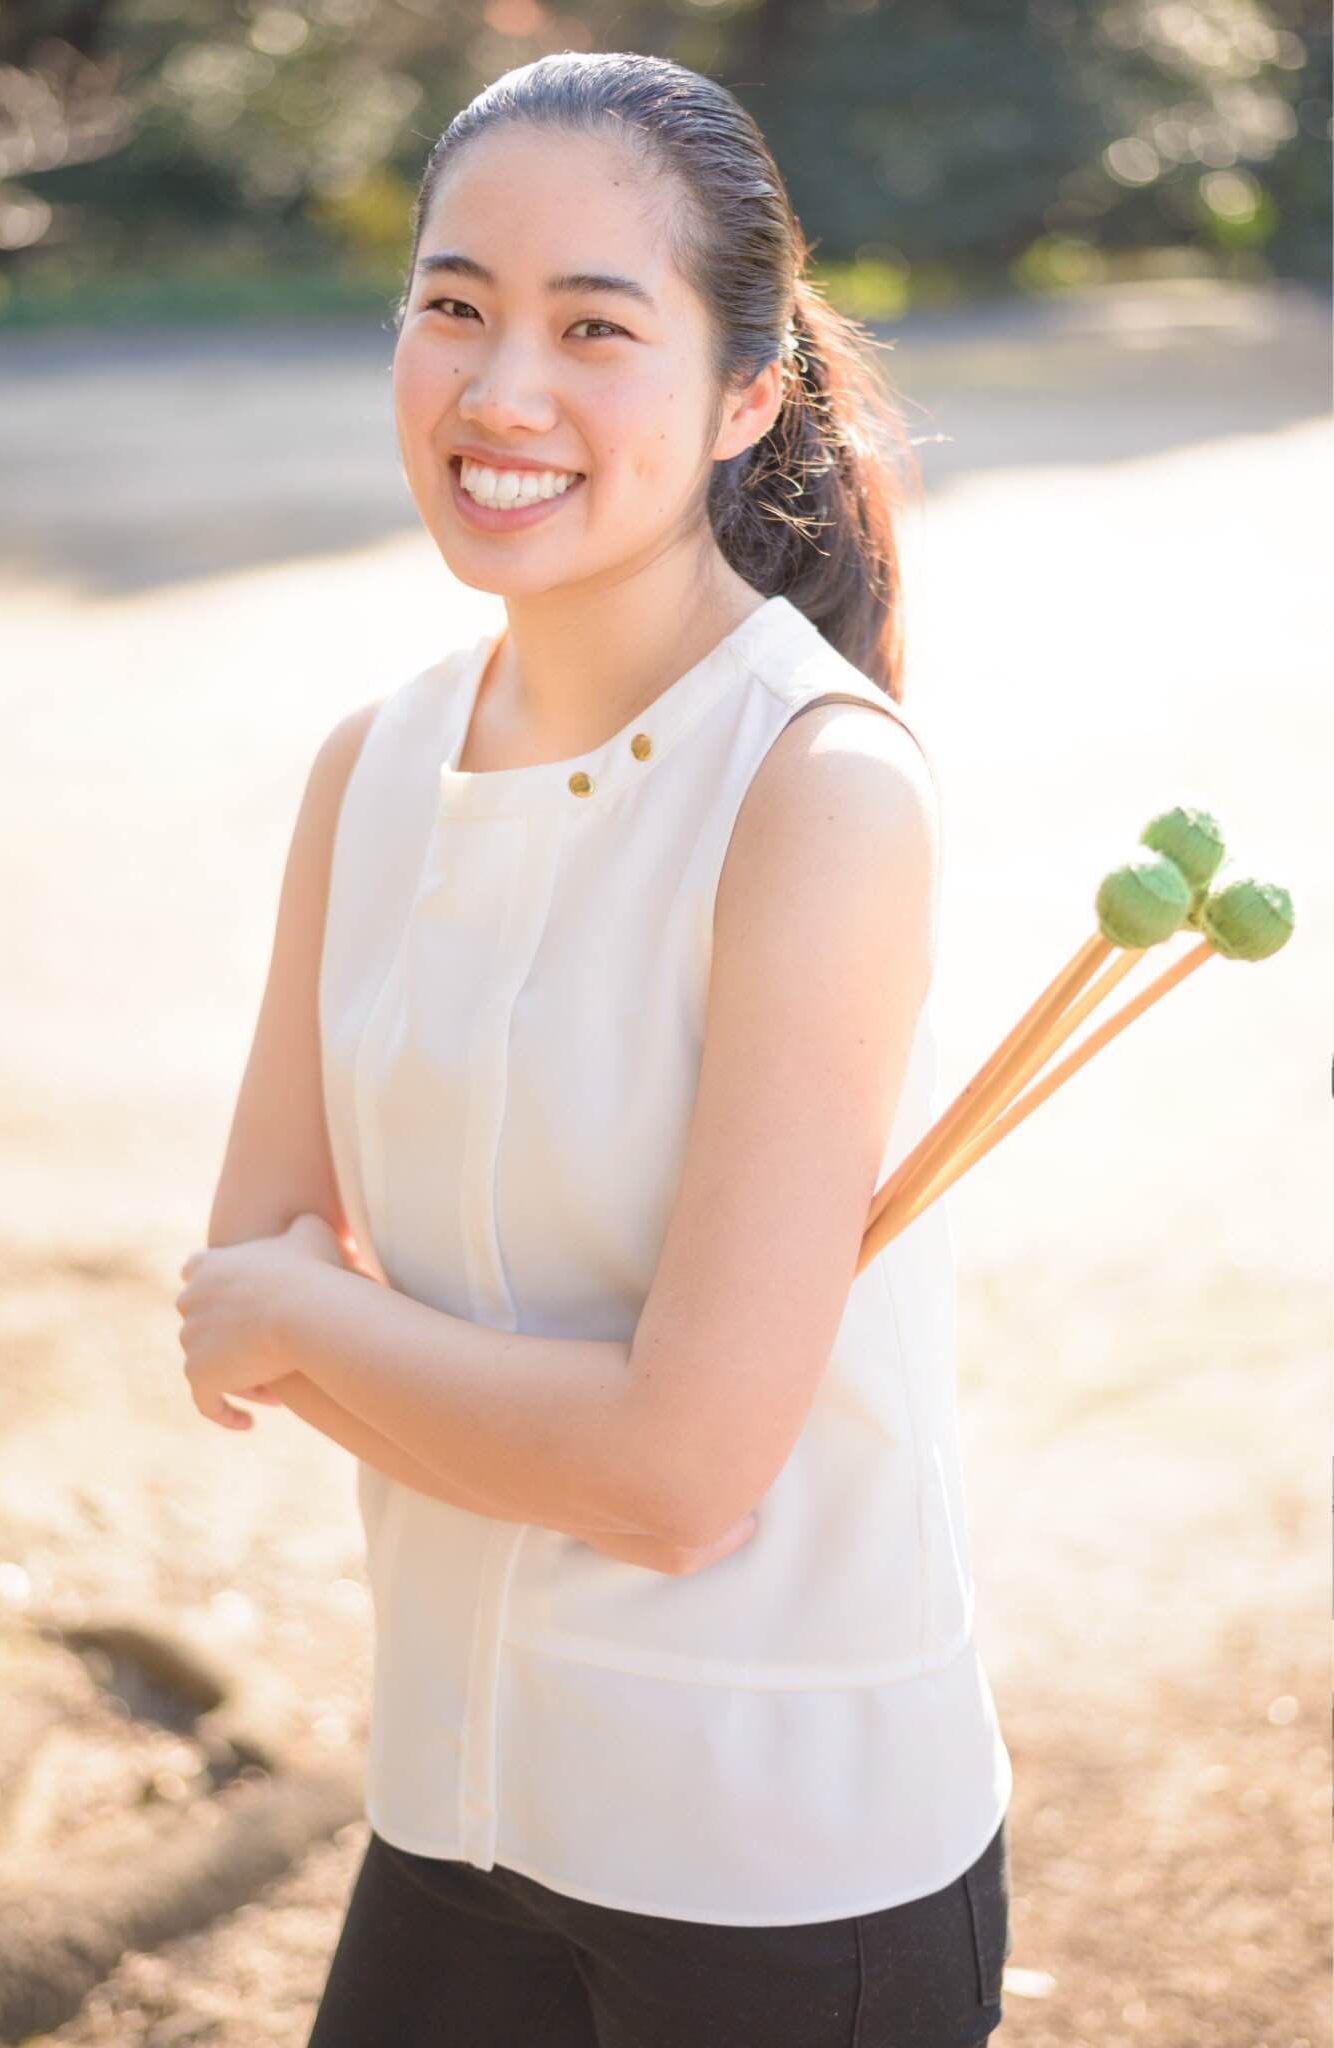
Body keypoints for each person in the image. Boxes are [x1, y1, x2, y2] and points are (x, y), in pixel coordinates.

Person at [190, 47, 1014, 2048]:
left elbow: (675, 1474)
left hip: (776, 1856)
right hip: (459, 1796)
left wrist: (312, 1322)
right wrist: (300, 1317)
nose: (501, 390)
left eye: (593, 326)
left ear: (747, 395)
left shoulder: (814, 788)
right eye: (454, 305)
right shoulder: (367, 768)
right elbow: (240, 1310)